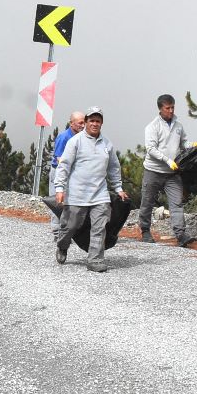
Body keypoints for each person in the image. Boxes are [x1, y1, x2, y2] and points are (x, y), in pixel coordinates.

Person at [52, 106, 129, 273]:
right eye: (92, 120)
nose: (95, 123)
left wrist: (118, 188)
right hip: (77, 193)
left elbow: (114, 167)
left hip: (100, 193)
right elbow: (64, 166)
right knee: (70, 226)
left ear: (102, 123)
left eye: (98, 121)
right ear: (86, 122)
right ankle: (62, 245)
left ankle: (95, 260)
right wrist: (59, 188)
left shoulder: (107, 144)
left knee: (99, 227)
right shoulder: (75, 142)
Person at [138, 93, 197, 247]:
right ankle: (145, 230)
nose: (171, 111)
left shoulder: (178, 126)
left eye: (172, 107)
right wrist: (167, 160)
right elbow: (150, 149)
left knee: (176, 203)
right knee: (147, 202)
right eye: (167, 108)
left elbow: (184, 143)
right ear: (160, 109)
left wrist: (194, 145)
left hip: (172, 173)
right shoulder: (152, 127)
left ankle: (181, 235)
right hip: (153, 170)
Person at [48, 111, 87, 239]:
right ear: (72, 123)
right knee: (57, 201)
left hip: (72, 174)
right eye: (80, 123)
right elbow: (59, 159)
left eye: (84, 122)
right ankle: (56, 232)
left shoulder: (82, 137)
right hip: (59, 173)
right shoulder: (64, 137)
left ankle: (68, 230)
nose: (83, 125)